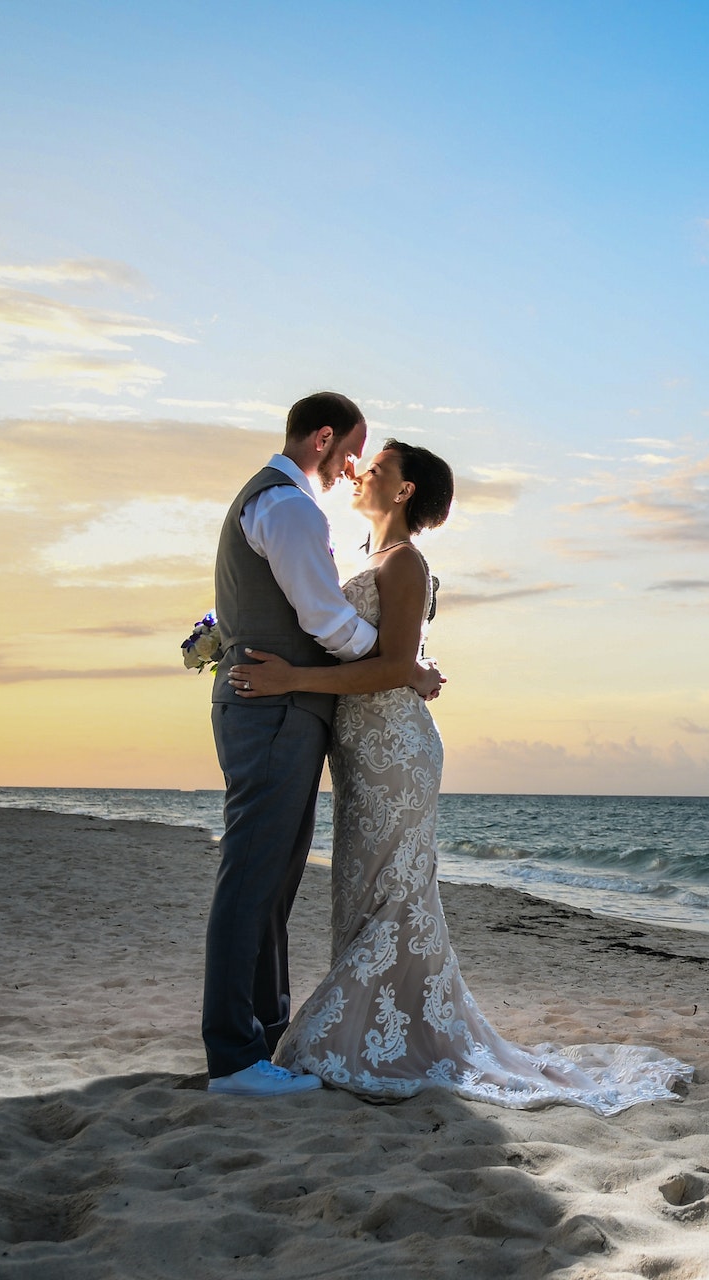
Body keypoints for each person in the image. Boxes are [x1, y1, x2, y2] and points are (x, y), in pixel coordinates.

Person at [227, 440, 691, 1113]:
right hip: (361, 748)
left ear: (406, 490)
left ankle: (367, 1038)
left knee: (393, 891)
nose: (361, 474)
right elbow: (390, 650)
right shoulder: (369, 559)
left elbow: (390, 666)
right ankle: (382, 1027)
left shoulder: (407, 561)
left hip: (397, 752)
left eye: (377, 468)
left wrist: (293, 680)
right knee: (364, 889)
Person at [204, 392, 445, 1098]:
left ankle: (260, 1041)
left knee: (273, 883)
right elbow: (324, 619)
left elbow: (307, 614)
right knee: (255, 879)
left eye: (368, 461)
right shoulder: (288, 505)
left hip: (327, 721)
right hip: (283, 712)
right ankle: (235, 1057)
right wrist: (403, 666)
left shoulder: (290, 507)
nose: (353, 468)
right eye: (350, 453)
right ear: (323, 437)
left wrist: (401, 667)